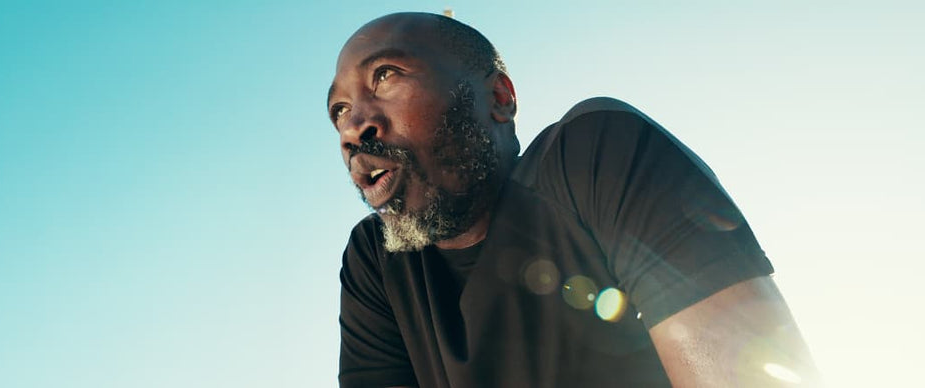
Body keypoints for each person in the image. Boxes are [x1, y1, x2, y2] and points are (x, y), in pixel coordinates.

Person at [327, 12, 818, 387]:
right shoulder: (375, 261)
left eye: (386, 76)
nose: (352, 126)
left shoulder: (596, 152)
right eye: (340, 110)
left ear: (500, 98)